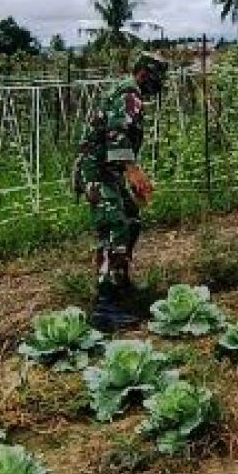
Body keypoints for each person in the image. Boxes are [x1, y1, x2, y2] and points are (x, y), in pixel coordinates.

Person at [73, 50, 167, 330]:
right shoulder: (130, 93)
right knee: (115, 226)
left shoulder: (131, 93)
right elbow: (116, 133)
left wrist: (129, 174)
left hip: (108, 171)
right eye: (156, 77)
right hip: (96, 173)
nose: (158, 84)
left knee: (131, 218)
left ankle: (120, 280)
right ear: (143, 74)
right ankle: (105, 305)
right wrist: (132, 170)